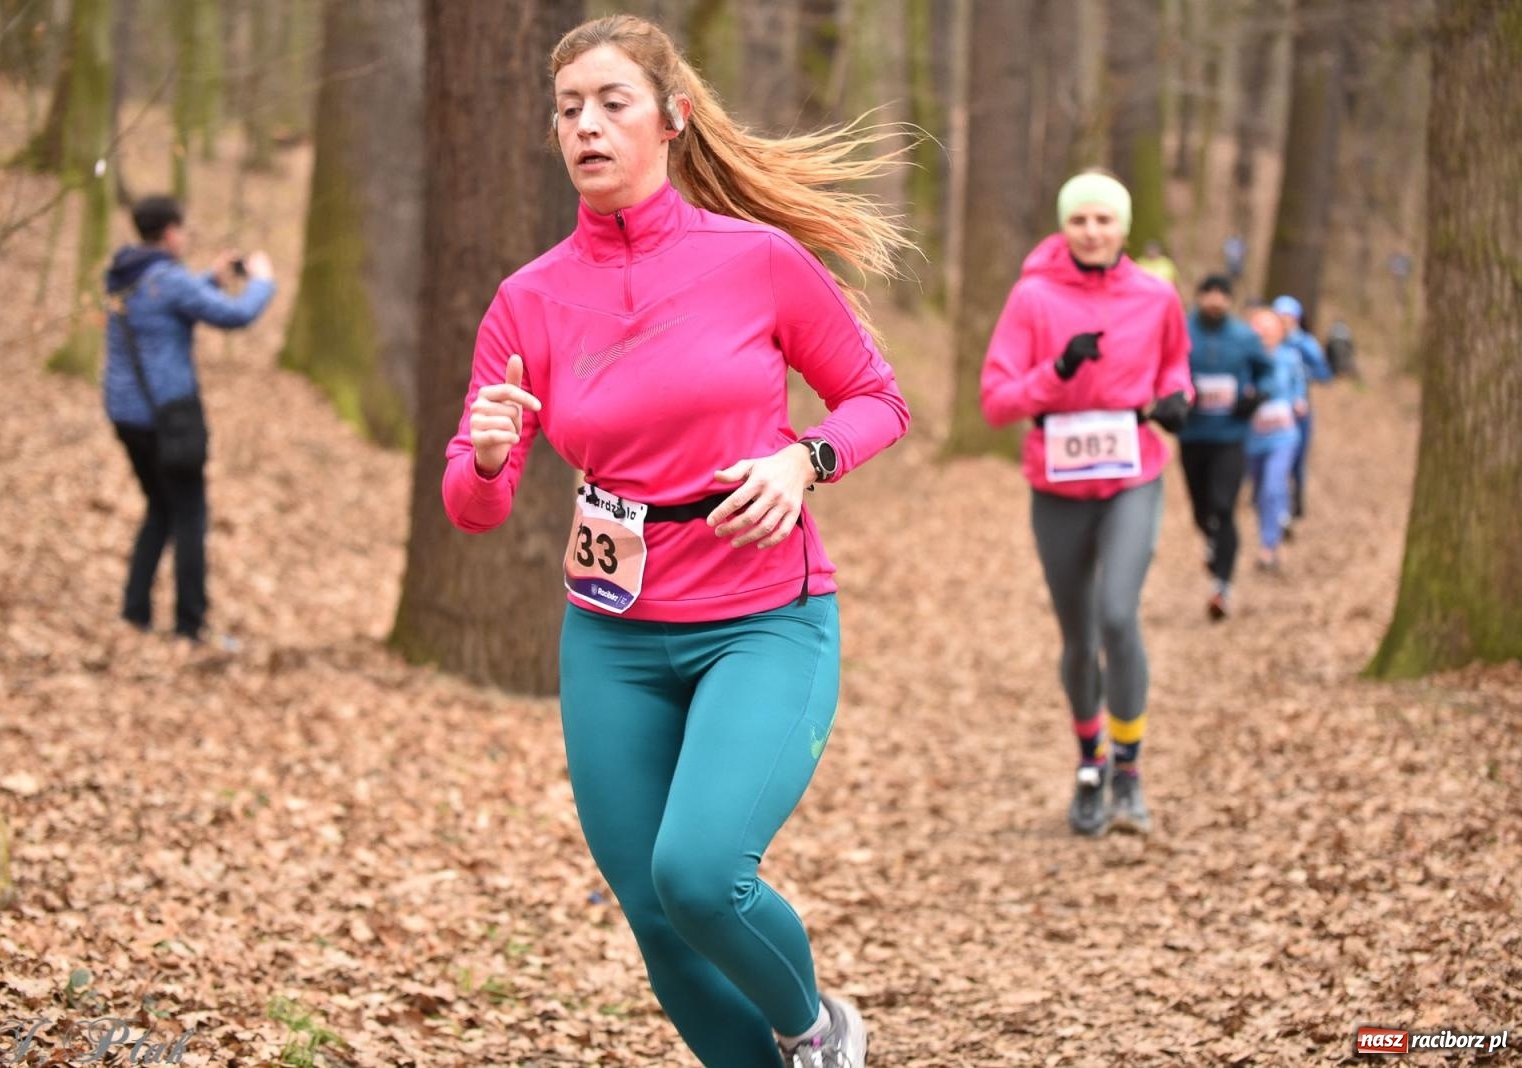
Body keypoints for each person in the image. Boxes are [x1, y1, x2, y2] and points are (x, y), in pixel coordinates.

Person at [439, 16, 912, 1066]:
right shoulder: (528, 301)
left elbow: (877, 403)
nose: (587, 127)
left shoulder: (759, 262)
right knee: (655, 916)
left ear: (672, 119)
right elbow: (476, 510)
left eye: (612, 103)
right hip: (612, 635)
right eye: (568, 110)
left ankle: (815, 1032)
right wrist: (481, 455)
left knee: (698, 876)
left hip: (763, 619)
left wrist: (803, 462)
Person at [980, 170, 1192, 838]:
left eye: (1105, 220)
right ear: (1063, 227)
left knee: (1118, 616)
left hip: (1133, 476)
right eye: (1080, 221)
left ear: (1124, 228)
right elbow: (996, 400)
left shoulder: (1157, 297)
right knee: (1079, 636)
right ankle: (1089, 763)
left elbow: (1175, 368)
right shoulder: (1032, 297)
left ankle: (1129, 767)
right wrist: (1057, 374)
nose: (1093, 232)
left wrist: (1177, 399)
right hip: (1058, 484)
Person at [102, 195, 275, 642]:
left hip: (126, 415)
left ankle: (134, 611)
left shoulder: (125, 275)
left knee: (159, 507)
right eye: (183, 228)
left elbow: (163, 306)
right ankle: (189, 624)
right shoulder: (169, 280)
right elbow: (236, 316)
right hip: (170, 418)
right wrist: (261, 281)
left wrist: (210, 280)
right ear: (171, 232)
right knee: (189, 517)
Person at [1178, 275, 1271, 621]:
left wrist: (1256, 397)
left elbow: (1267, 372)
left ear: (1230, 301)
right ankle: (1211, 539)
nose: (1215, 301)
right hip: (1192, 435)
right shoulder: (1182, 332)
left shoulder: (1245, 337)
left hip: (1231, 435)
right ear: (1199, 297)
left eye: (1222, 295)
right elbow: (1165, 369)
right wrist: (1177, 397)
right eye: (1209, 295)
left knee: (1224, 505)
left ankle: (1222, 588)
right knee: (1202, 510)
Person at [1242, 307, 1305, 570]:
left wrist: (1298, 401)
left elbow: (1298, 387)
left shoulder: (1290, 358)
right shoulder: (1245, 359)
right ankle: (1276, 520)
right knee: (1259, 492)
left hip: (1284, 435)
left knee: (1273, 483)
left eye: (1270, 329)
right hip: (1253, 438)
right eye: (1260, 329)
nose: (1265, 334)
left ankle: (1269, 546)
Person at [1271, 295, 1331, 527]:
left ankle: (1297, 502)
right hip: (1272, 412)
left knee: (1296, 460)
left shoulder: (1306, 344)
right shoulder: (1269, 341)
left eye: (1288, 317)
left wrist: (1303, 373)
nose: (1284, 322)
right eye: (1280, 317)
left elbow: (1324, 373)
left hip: (1299, 413)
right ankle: (1277, 505)